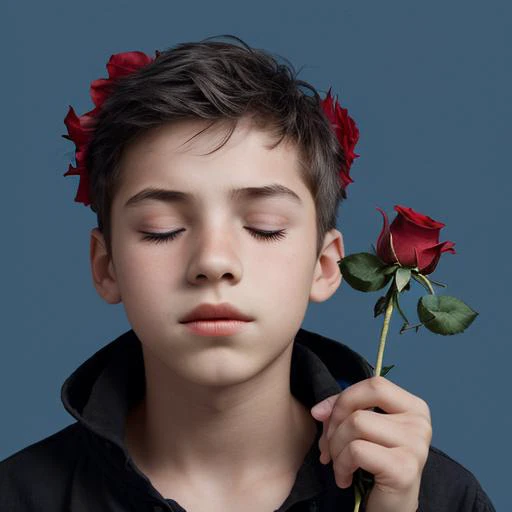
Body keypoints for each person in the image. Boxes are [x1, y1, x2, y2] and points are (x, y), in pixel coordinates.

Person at [0, 35, 496, 512]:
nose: (214, 261)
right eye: (162, 229)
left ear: (325, 267)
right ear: (106, 266)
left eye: (264, 227)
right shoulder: (18, 496)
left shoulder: (434, 497)